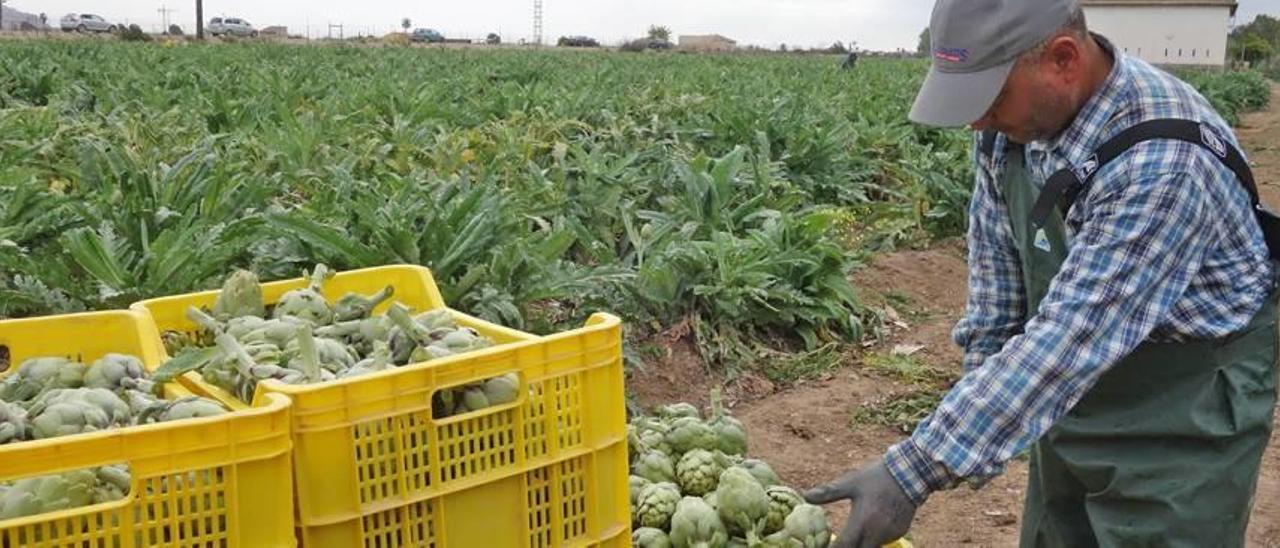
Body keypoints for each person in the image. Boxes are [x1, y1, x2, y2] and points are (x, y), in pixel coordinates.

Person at [804, 0, 1280, 547]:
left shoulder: (1166, 160)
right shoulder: (1008, 131)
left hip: (1182, 417)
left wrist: (911, 473)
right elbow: (997, 293)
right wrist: (976, 417)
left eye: (991, 96)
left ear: (1062, 60)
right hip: (1074, 399)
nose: (977, 119)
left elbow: (1070, 338)